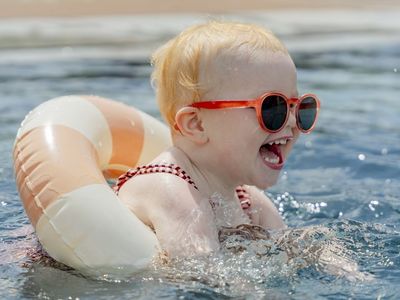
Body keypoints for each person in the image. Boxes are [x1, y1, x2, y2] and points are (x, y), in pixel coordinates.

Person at [113, 21, 320, 258]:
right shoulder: (168, 187)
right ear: (197, 125)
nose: (292, 122)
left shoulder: (247, 200)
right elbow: (201, 275)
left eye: (299, 107)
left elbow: (290, 248)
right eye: (273, 107)